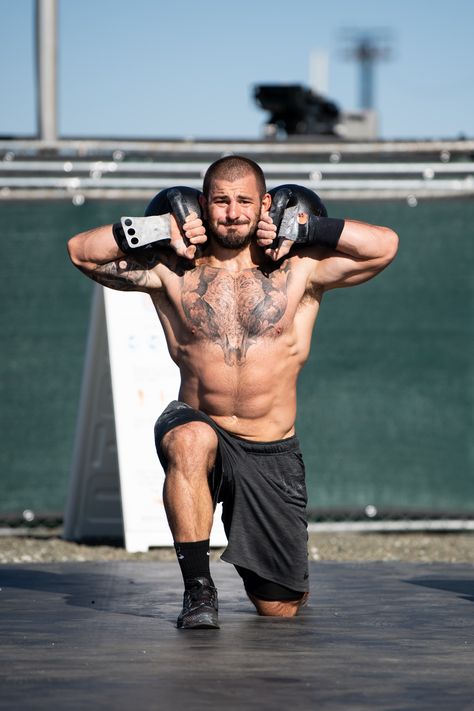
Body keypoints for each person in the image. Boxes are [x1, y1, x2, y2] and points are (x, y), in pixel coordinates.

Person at [68, 155, 398, 629]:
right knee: (189, 440)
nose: (233, 213)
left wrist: (310, 228)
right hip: (201, 421)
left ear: (264, 205)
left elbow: (385, 246)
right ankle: (198, 591)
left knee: (279, 607)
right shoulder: (173, 268)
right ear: (203, 206)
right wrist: (160, 222)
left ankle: (276, 572)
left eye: (244, 201)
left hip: (271, 449)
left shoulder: (298, 268)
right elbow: (81, 250)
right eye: (221, 201)